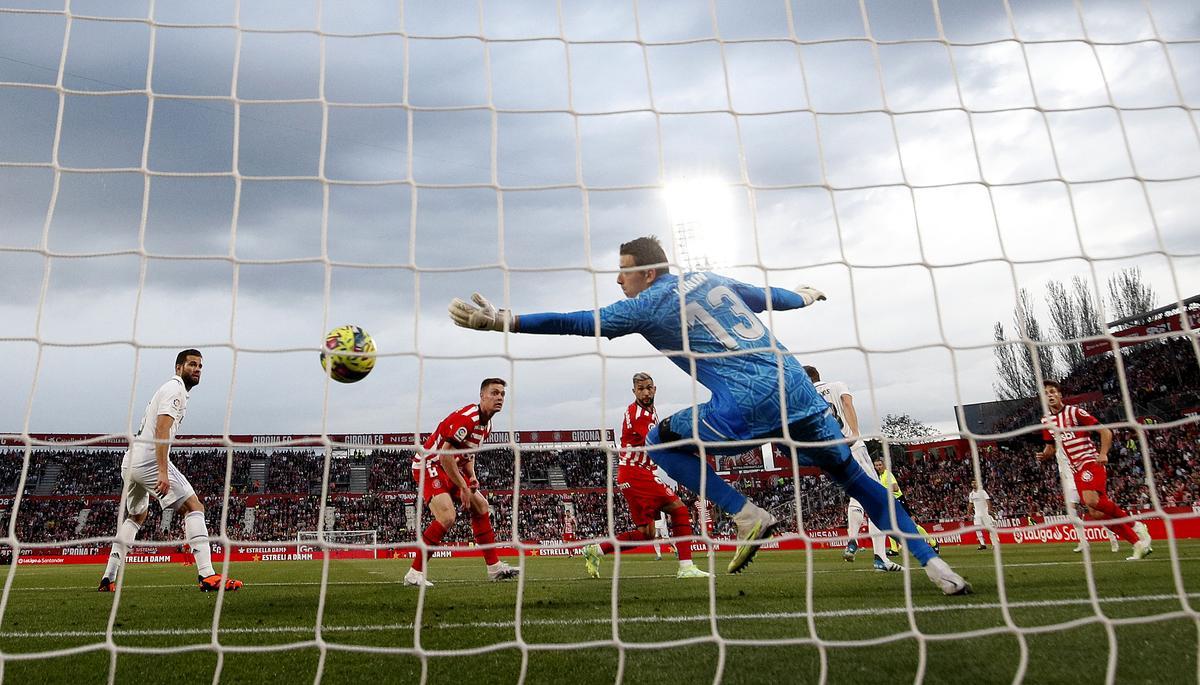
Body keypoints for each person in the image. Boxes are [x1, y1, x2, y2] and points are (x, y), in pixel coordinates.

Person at [448, 235, 970, 594]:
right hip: (797, 389)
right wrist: (804, 297)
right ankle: (937, 566)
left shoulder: (647, 302)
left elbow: (579, 322)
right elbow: (768, 297)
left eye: (623, 273)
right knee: (857, 481)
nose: (619, 283)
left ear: (647, 271)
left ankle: (747, 515)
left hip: (749, 404)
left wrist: (504, 320)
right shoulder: (705, 279)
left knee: (660, 441)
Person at [98, 349, 241, 593]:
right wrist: (162, 472)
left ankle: (108, 577)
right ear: (178, 368)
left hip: (131, 461)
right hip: (149, 460)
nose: (197, 369)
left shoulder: (171, 390)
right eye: (192, 365)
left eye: (200, 366)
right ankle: (207, 575)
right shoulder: (175, 390)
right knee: (194, 507)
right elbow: (162, 430)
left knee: (137, 516)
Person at [582, 372, 709, 579]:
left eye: (649, 387)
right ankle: (686, 566)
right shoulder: (639, 415)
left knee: (646, 534)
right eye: (641, 389)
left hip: (631, 475)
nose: (646, 392)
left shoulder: (649, 411)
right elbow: (657, 442)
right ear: (634, 392)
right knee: (679, 510)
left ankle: (596, 550)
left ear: (655, 389)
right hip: (636, 473)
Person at [404, 378, 520, 587]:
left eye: (502, 394)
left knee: (481, 506)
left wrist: (472, 475)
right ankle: (414, 573)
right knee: (447, 516)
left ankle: (494, 569)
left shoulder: (487, 425)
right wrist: (464, 487)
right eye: (494, 393)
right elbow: (444, 456)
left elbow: (468, 454)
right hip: (429, 464)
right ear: (482, 396)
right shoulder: (467, 419)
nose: (500, 398)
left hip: (449, 466)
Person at [1037, 380, 1151, 560]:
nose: (1049, 395)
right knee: (1096, 513)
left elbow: (1105, 432)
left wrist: (1103, 453)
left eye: (1052, 391)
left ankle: (1136, 525)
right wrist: (1044, 455)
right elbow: (1050, 447)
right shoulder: (1046, 421)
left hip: (1090, 462)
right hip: (1075, 469)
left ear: (1060, 395)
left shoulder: (1074, 412)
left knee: (1090, 499)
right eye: (1045, 393)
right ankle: (1138, 544)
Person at [803, 365, 900, 573]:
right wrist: (854, 432)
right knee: (877, 497)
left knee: (856, 494)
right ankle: (879, 557)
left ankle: (854, 540)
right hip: (852, 445)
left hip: (831, 454)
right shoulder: (837, 385)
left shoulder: (806, 396)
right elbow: (847, 404)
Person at [1056, 446, 1120, 553]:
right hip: (1070, 484)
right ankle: (1083, 542)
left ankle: (1112, 538)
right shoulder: (1058, 451)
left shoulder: (1070, 444)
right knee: (1072, 513)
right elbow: (1062, 471)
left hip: (1081, 479)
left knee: (1096, 512)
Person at [872, 456, 941, 556]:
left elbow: (895, 488)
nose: (878, 467)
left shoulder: (887, 474)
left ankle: (933, 542)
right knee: (888, 524)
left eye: (880, 465)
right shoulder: (881, 476)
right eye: (876, 465)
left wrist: (882, 492)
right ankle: (894, 549)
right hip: (890, 502)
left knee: (911, 524)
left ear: (884, 465)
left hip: (898, 501)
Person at [967, 485, 997, 550]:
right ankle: (982, 544)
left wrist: (989, 510)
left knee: (990, 528)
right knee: (977, 529)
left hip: (985, 512)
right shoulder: (971, 494)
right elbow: (970, 504)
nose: (973, 484)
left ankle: (994, 544)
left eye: (975, 482)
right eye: (972, 483)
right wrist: (968, 513)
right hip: (977, 514)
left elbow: (988, 500)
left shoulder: (982, 492)